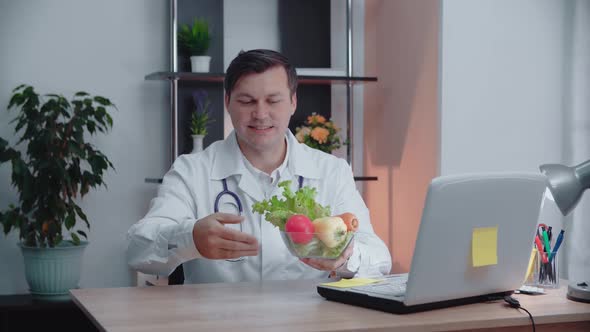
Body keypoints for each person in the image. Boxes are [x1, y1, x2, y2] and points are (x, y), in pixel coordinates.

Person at [126, 49, 391, 283]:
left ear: (293, 102)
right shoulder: (191, 170)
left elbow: (380, 260)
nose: (261, 114)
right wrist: (190, 239)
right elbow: (138, 250)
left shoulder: (331, 171)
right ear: (228, 102)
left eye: (273, 101)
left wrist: (346, 258)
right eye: (247, 101)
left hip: (309, 322)